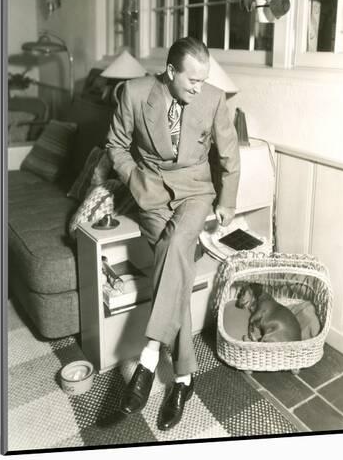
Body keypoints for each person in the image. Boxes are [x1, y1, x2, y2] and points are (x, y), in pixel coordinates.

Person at [106, 37, 240, 430]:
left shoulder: (213, 98)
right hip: (150, 194)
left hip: (196, 192)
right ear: (170, 72)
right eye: (192, 81)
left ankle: (148, 359)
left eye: (203, 80)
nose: (200, 88)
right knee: (175, 261)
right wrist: (134, 179)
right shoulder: (133, 93)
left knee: (177, 243)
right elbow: (115, 145)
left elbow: (228, 154)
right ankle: (184, 378)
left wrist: (228, 202)